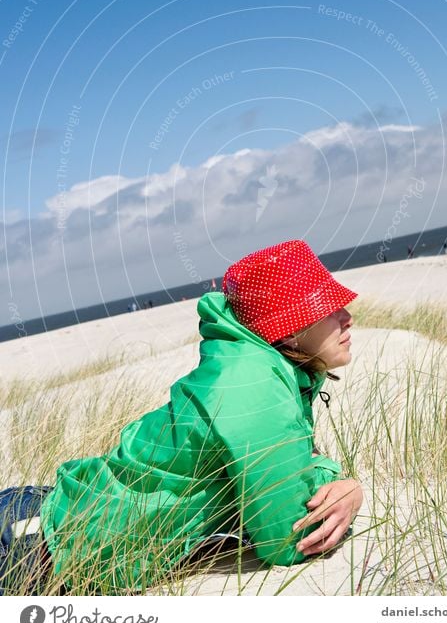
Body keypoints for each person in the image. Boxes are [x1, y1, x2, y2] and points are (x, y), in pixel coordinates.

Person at [0, 240, 363, 596]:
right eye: (327, 308)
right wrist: (347, 488)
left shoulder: (255, 366)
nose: (347, 316)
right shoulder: (254, 386)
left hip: (52, 515)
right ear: (289, 328)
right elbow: (289, 540)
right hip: (36, 547)